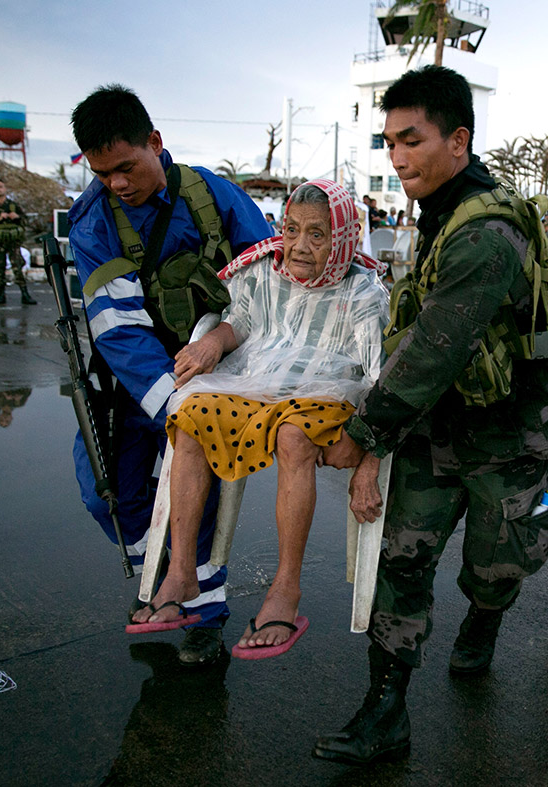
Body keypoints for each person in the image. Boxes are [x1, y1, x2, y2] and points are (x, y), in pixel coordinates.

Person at [312, 65, 548, 765]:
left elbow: (433, 348)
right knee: (403, 559)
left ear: (458, 139)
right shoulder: (440, 213)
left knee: (498, 564)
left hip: (508, 435)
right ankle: (385, 713)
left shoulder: (484, 229)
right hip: (436, 429)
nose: (397, 158)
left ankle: (486, 615)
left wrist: (362, 434)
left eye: (412, 140)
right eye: (390, 141)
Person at [130, 180, 389, 659]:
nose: (298, 245)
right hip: (258, 378)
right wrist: (213, 341)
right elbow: (241, 323)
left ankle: (285, 590)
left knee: (293, 436)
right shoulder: (263, 271)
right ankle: (182, 571)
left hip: (328, 388)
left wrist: (370, 461)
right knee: (190, 415)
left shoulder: (362, 291)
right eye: (291, 229)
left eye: (317, 234)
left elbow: (377, 377)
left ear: (343, 237)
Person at [68, 84, 271, 665]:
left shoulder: (216, 197)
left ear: (155, 142)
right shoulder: (92, 224)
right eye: (104, 174)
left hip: (222, 368)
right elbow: (119, 328)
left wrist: (219, 347)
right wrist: (169, 406)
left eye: (127, 167)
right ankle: (161, 574)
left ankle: (204, 610)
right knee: (104, 490)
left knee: (195, 488)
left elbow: (268, 290)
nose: (119, 185)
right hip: (137, 381)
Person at [0, 179, 36, 306]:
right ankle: (1, 294)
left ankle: (25, 294)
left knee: (17, 268)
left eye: (1, 186)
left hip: (13, 243)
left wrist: (17, 217)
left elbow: (26, 221)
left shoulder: (14, 206)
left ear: (5, 188)